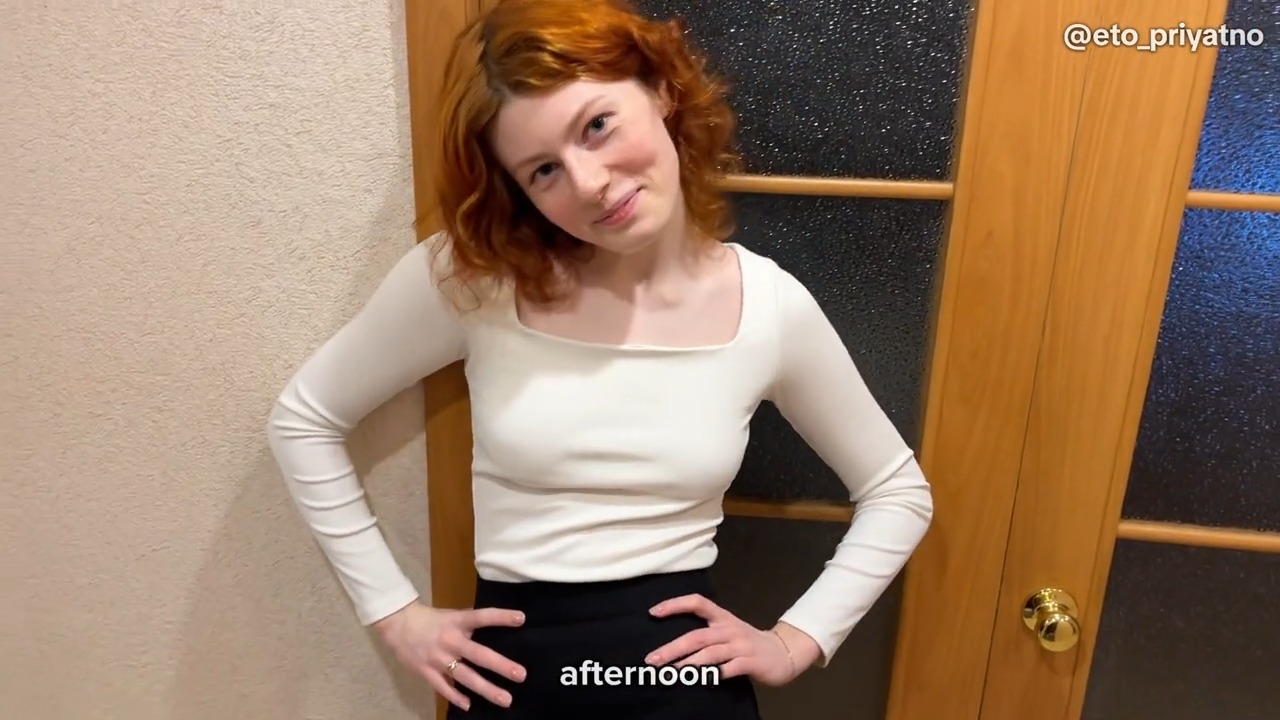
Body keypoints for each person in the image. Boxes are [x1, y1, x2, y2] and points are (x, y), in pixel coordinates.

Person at [265, 0, 934, 717]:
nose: (588, 183)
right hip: (514, 685)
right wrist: (395, 613)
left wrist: (797, 641)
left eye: (596, 126)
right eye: (543, 170)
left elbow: (898, 492)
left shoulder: (769, 308)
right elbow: (304, 420)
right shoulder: (476, 278)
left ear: (662, 90)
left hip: (684, 691)